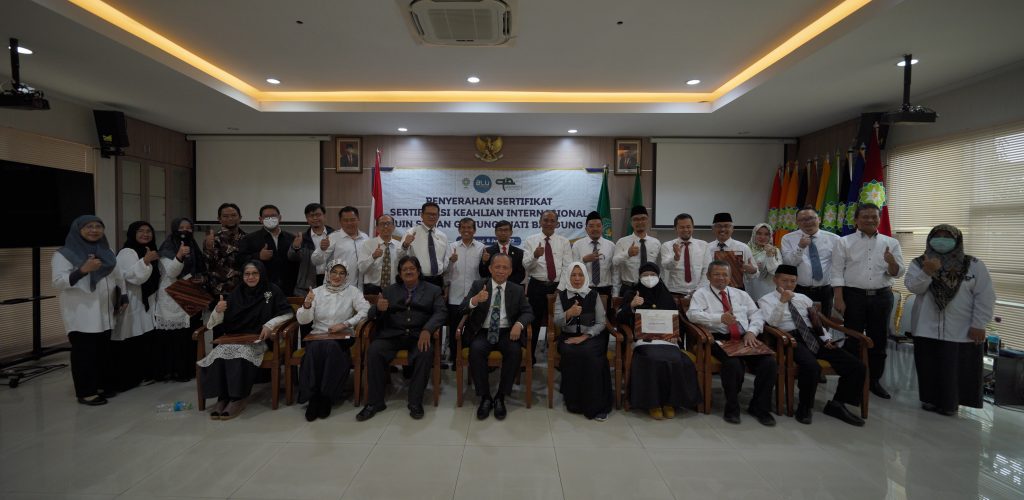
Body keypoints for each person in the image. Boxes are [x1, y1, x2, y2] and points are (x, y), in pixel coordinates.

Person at [758, 264, 866, 426]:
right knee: (811, 366)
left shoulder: (803, 298)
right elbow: (772, 323)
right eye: (784, 280)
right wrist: (782, 302)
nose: (789, 284)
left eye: (793, 281)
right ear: (775, 280)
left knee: (856, 366)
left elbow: (815, 321)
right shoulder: (766, 300)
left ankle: (837, 404)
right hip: (790, 339)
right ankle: (805, 407)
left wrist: (826, 338)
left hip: (813, 336)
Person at [906, 224, 995, 416]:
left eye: (947, 236)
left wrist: (979, 324)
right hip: (926, 326)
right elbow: (914, 288)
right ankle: (929, 399)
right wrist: (927, 272)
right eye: (937, 236)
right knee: (928, 365)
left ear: (957, 240)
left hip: (961, 328)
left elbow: (985, 296)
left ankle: (951, 404)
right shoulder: (919, 262)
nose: (942, 240)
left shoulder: (973, 264)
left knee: (954, 367)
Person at [198, 261, 293, 420]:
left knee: (239, 355)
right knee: (219, 354)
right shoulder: (237, 292)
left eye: (255, 273)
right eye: (247, 274)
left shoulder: (272, 291)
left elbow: (288, 313)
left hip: (258, 339)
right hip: (236, 337)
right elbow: (221, 320)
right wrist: (218, 310)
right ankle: (223, 397)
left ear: (261, 274)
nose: (251, 277)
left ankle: (238, 398)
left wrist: (270, 325)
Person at [688, 260, 777, 426]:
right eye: (717, 274)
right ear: (708, 276)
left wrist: (752, 332)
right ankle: (732, 407)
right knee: (733, 364)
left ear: (730, 277)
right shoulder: (701, 294)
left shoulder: (740, 294)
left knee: (769, 363)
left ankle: (759, 407)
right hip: (718, 338)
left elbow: (757, 314)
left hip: (744, 338)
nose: (721, 278)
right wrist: (719, 318)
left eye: (725, 275)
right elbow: (692, 315)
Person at [358, 256, 446, 421]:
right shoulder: (389, 290)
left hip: (418, 335)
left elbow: (441, 313)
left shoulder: (433, 290)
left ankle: (415, 401)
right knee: (374, 350)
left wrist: (427, 329)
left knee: (425, 352)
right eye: (404, 269)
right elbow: (372, 315)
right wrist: (378, 308)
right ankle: (374, 402)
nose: (408, 271)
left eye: (412, 268)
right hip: (393, 334)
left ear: (418, 271)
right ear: (399, 273)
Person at [831, 203, 904, 400]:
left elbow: (897, 273)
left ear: (879, 219)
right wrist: (838, 298)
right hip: (853, 296)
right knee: (853, 339)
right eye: (865, 216)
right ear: (856, 220)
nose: (870, 220)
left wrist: (891, 262)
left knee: (879, 340)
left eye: (874, 216)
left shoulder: (891, 242)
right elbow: (836, 271)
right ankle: (852, 378)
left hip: (882, 297)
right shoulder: (844, 242)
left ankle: (874, 381)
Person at [52, 215, 125, 406]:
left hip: (104, 310)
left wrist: (123, 296)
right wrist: (82, 270)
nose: (94, 230)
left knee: (102, 351)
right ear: (78, 230)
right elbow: (58, 282)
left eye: (98, 226)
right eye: (89, 227)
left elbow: (117, 276)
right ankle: (86, 392)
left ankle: (101, 385)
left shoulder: (107, 250)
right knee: (84, 353)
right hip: (81, 313)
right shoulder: (64, 254)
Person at [617, 262, 701, 419]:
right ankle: (653, 403)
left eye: (653, 275)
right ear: (639, 277)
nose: (649, 278)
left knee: (677, 359)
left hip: (666, 340)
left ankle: (670, 402)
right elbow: (619, 318)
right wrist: (632, 305)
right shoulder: (631, 293)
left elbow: (677, 319)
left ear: (658, 276)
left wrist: (676, 334)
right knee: (652, 358)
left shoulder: (665, 294)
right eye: (645, 275)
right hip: (643, 341)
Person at [461, 253, 534, 421]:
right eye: (497, 267)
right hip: (483, 331)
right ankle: (485, 397)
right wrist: (475, 300)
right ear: (490, 269)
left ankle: (501, 396)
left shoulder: (517, 289)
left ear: (510, 271)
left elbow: (528, 312)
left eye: (505, 268)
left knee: (514, 351)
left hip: (507, 331)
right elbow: (462, 308)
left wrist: (519, 324)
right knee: (476, 350)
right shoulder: (479, 285)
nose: (501, 271)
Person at [296, 260, 370, 421]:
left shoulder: (353, 291)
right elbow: (303, 320)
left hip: (342, 336)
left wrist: (346, 324)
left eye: (342, 273)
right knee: (314, 349)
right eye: (334, 272)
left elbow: (366, 310)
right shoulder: (316, 292)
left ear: (347, 276)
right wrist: (307, 305)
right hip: (318, 335)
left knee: (329, 347)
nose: (337, 276)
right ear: (328, 273)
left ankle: (326, 397)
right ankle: (314, 396)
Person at [554, 262, 613, 421]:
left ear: (585, 276)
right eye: (573, 275)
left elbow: (601, 322)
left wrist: (585, 336)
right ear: (568, 277)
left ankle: (596, 405)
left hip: (592, 337)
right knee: (571, 352)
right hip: (568, 336)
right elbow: (557, 322)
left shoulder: (593, 295)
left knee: (591, 355)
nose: (577, 278)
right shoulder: (561, 296)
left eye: (580, 275)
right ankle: (575, 402)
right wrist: (568, 313)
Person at [152, 217, 206, 382]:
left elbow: (200, 268)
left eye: (189, 228)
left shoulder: (193, 245)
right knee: (175, 336)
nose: (185, 231)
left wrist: (201, 278)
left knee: (191, 333)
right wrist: (180, 255)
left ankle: (190, 369)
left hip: (191, 292)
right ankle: (174, 371)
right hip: (173, 294)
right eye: (181, 227)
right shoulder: (168, 247)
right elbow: (172, 272)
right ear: (174, 228)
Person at [111, 221, 160, 391]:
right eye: (141, 231)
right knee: (129, 340)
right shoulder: (127, 252)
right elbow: (134, 278)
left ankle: (143, 375)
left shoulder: (151, 250)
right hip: (131, 302)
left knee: (142, 339)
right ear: (133, 233)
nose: (145, 234)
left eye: (148, 231)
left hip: (144, 302)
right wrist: (145, 261)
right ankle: (127, 379)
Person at [521, 210, 572, 362]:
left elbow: (567, 267)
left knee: (561, 323)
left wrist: (560, 288)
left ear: (557, 223)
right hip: (537, 286)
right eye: (545, 220)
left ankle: (559, 357)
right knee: (533, 322)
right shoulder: (530, 240)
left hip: (558, 287)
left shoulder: (564, 242)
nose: (549, 223)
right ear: (540, 222)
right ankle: (529, 358)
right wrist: (534, 256)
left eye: (552, 221)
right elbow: (526, 266)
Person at [781, 206, 840, 318]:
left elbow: (839, 266)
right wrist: (800, 247)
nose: (807, 222)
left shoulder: (834, 239)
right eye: (802, 220)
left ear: (819, 219)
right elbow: (789, 265)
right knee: (801, 322)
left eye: (811, 218)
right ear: (797, 222)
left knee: (824, 322)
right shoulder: (788, 238)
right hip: (799, 289)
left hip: (825, 290)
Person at [445, 217, 484, 369]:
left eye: (469, 228)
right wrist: (450, 262)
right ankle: (456, 359)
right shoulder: (451, 247)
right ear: (459, 230)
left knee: (473, 330)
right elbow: (444, 272)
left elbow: (484, 272)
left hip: (475, 297)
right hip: (455, 296)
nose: (466, 230)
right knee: (455, 329)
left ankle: (472, 359)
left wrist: (485, 261)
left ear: (474, 230)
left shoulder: (481, 248)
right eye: (463, 227)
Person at [238, 204, 298, 294]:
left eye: (273, 216)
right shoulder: (249, 239)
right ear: (260, 219)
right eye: (266, 217)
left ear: (280, 218)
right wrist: (258, 256)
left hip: (289, 288)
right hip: (261, 288)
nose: (270, 219)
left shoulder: (291, 238)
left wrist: (297, 248)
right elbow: (240, 260)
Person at [314, 206, 369, 289]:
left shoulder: (365, 238)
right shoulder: (332, 238)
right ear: (340, 221)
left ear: (358, 219)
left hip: (359, 289)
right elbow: (316, 261)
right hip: (336, 288)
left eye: (352, 219)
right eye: (345, 220)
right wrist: (321, 250)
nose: (349, 223)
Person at [614, 206, 661, 299]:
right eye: (636, 219)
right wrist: (627, 254)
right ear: (631, 222)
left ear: (648, 220)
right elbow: (615, 262)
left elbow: (660, 268)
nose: (640, 222)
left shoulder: (656, 243)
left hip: (651, 289)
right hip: (629, 288)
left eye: (643, 218)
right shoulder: (622, 242)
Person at [288, 203, 334, 296]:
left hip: (332, 281)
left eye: (318, 215)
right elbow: (292, 258)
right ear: (306, 218)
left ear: (324, 216)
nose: (315, 218)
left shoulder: (334, 235)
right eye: (311, 216)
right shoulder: (302, 238)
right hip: (308, 284)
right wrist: (295, 247)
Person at [659, 213, 708, 301]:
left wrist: (698, 290)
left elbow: (706, 271)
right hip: (674, 293)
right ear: (675, 229)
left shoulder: (703, 245)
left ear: (693, 227)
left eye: (688, 227)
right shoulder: (667, 245)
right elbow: (666, 266)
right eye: (682, 227)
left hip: (698, 293)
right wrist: (676, 258)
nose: (685, 230)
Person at [701, 212, 756, 289]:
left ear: (732, 229)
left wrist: (752, 270)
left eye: (726, 226)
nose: (722, 229)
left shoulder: (743, 248)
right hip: (712, 290)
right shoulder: (706, 248)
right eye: (719, 226)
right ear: (713, 229)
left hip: (737, 290)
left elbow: (755, 273)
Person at [401, 202, 449, 289]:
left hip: (438, 280)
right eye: (428, 214)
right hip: (417, 279)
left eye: (434, 214)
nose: (431, 216)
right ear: (422, 215)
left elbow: (445, 260)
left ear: (438, 216)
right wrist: (405, 245)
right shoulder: (411, 232)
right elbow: (400, 256)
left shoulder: (443, 236)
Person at [572, 211, 617, 300]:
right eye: (591, 226)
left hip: (605, 289)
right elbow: (572, 269)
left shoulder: (611, 245)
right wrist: (584, 260)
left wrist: (615, 293)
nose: (595, 229)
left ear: (602, 227)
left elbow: (614, 271)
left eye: (598, 226)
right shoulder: (577, 245)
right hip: (584, 289)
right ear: (586, 229)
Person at [204, 203, 246, 297]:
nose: (230, 218)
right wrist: (209, 249)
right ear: (219, 219)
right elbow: (207, 265)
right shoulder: (213, 239)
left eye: (233, 215)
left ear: (240, 217)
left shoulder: (248, 238)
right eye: (225, 216)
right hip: (219, 291)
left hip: (244, 290)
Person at [357, 214, 403, 295]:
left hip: (394, 288)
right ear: (377, 228)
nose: (385, 226)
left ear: (393, 227)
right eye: (382, 224)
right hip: (372, 288)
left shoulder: (399, 245)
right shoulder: (368, 244)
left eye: (388, 223)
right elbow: (361, 268)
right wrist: (373, 257)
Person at [479, 220, 526, 285]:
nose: (503, 233)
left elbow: (521, 274)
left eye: (506, 230)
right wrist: (484, 262)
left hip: (512, 288)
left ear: (511, 233)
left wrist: (505, 284)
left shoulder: (519, 252)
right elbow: (483, 274)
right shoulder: (487, 251)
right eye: (500, 230)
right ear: (495, 232)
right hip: (492, 287)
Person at [745, 223, 782, 301]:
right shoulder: (746, 249)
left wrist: (770, 256)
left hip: (768, 290)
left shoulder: (775, 250)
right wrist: (753, 268)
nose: (762, 237)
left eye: (766, 234)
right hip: (749, 287)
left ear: (770, 236)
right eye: (759, 233)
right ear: (754, 234)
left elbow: (776, 272)